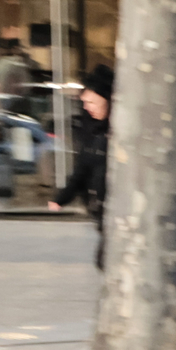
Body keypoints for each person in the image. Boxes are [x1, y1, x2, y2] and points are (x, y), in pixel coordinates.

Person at [47, 67, 114, 269]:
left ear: (108, 98)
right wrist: (62, 197)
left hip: (118, 213)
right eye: (84, 103)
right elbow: (82, 169)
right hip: (103, 213)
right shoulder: (93, 131)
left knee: (106, 262)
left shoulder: (119, 135)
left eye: (92, 102)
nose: (87, 108)